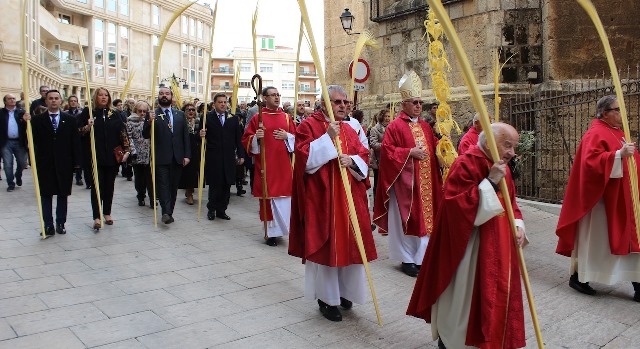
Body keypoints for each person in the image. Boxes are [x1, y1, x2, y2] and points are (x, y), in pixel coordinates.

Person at [407, 122, 527, 349]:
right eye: (507, 145)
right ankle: (453, 342)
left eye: (514, 146)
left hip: (501, 245)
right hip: (470, 249)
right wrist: (490, 182)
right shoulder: (466, 163)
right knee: (466, 297)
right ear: (489, 143)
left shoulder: (502, 166)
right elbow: (456, 206)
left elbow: (511, 203)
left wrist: (519, 225)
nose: (512, 152)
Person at [289, 84, 377, 322]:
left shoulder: (349, 129)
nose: (343, 106)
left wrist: (354, 160)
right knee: (329, 247)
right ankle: (327, 300)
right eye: (337, 102)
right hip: (324, 198)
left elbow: (364, 154)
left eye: (345, 102)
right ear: (324, 103)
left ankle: (346, 293)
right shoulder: (309, 125)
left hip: (350, 197)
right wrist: (327, 138)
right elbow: (303, 159)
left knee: (350, 246)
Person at [556, 95, 640, 301]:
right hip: (602, 204)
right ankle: (579, 277)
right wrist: (618, 155)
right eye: (617, 110)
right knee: (599, 244)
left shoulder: (619, 132)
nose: (622, 114)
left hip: (625, 199)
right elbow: (590, 163)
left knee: (631, 241)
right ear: (605, 113)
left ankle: (638, 284)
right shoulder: (595, 133)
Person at [373, 70, 443, 277]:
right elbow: (387, 151)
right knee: (407, 220)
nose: (418, 106)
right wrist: (409, 152)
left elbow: (434, 147)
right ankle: (407, 259)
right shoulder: (394, 127)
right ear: (404, 104)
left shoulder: (426, 126)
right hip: (405, 185)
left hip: (427, 184)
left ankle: (422, 258)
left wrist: (443, 152)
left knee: (426, 221)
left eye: (420, 102)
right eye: (414, 102)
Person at [242, 87, 296, 246]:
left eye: (278, 95)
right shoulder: (258, 117)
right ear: (264, 98)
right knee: (269, 198)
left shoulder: (286, 118)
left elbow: (298, 139)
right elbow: (246, 139)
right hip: (266, 164)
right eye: (273, 95)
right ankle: (271, 233)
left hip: (283, 165)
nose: (277, 97)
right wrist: (255, 138)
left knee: (285, 198)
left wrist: (288, 136)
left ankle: (283, 230)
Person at [24, 90, 81, 236]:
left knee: (63, 193)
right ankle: (48, 224)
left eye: (56, 98)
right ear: (46, 101)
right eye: (51, 98)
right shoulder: (37, 120)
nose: (54, 101)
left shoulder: (69, 120)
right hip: (45, 162)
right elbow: (31, 140)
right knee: (46, 194)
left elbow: (74, 141)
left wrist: (76, 162)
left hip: (64, 162)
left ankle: (60, 222)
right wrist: (25, 123)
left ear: (61, 101)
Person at [78, 88, 131, 230]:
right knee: (97, 187)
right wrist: (88, 126)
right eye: (100, 95)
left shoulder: (114, 114)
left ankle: (107, 212)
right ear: (96, 97)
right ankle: (96, 216)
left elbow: (123, 132)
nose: (103, 97)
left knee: (109, 185)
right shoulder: (88, 112)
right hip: (95, 156)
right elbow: (79, 132)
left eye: (106, 95)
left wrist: (127, 150)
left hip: (112, 157)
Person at [144, 87, 191, 224]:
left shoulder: (180, 114)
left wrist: (187, 155)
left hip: (177, 157)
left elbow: (185, 136)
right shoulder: (153, 114)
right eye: (161, 93)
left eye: (167, 94)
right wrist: (149, 122)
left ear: (172, 97)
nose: (164, 96)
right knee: (163, 185)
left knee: (173, 186)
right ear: (158, 96)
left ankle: (169, 212)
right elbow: (145, 135)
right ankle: (165, 211)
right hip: (161, 157)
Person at [199, 93, 245, 219]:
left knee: (227, 184)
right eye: (220, 102)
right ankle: (211, 209)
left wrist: (241, 155)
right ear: (214, 104)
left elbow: (238, 139)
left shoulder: (233, 118)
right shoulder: (207, 117)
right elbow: (201, 138)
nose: (223, 104)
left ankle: (222, 209)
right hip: (214, 156)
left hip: (229, 157)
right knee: (215, 184)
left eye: (225, 102)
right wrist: (201, 134)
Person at [126, 101, 153, 207]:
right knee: (139, 177)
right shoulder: (130, 122)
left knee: (150, 177)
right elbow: (129, 137)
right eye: (140, 111)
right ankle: (141, 195)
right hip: (137, 153)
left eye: (144, 111)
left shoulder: (150, 121)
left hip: (149, 152)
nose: (142, 113)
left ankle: (152, 197)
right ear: (135, 111)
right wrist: (133, 151)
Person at [1, 94, 27, 192]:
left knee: (22, 162)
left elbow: (26, 126)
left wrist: (25, 120)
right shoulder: (1, 113)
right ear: (5, 101)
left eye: (13, 98)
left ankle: (18, 175)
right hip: (6, 142)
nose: (12, 100)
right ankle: (10, 183)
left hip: (19, 141)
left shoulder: (21, 112)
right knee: (8, 164)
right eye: (9, 99)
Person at [178, 102, 201, 205]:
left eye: (193, 109)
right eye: (189, 110)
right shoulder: (181, 122)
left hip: (195, 150)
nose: (191, 111)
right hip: (184, 149)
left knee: (194, 172)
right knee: (187, 172)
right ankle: (188, 192)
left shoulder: (198, 121)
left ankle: (190, 191)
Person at [368, 109, 390, 201]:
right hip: (378, 160)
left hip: (389, 160)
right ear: (381, 117)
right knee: (377, 184)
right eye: (386, 116)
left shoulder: (391, 127)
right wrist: (386, 145)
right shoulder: (375, 129)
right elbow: (373, 144)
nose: (387, 118)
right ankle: (377, 203)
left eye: (389, 116)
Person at [67, 95, 84, 186]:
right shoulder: (65, 113)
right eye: (71, 101)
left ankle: (79, 177)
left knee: (78, 159)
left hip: (78, 138)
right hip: (68, 139)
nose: (73, 102)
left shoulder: (81, 114)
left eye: (75, 101)